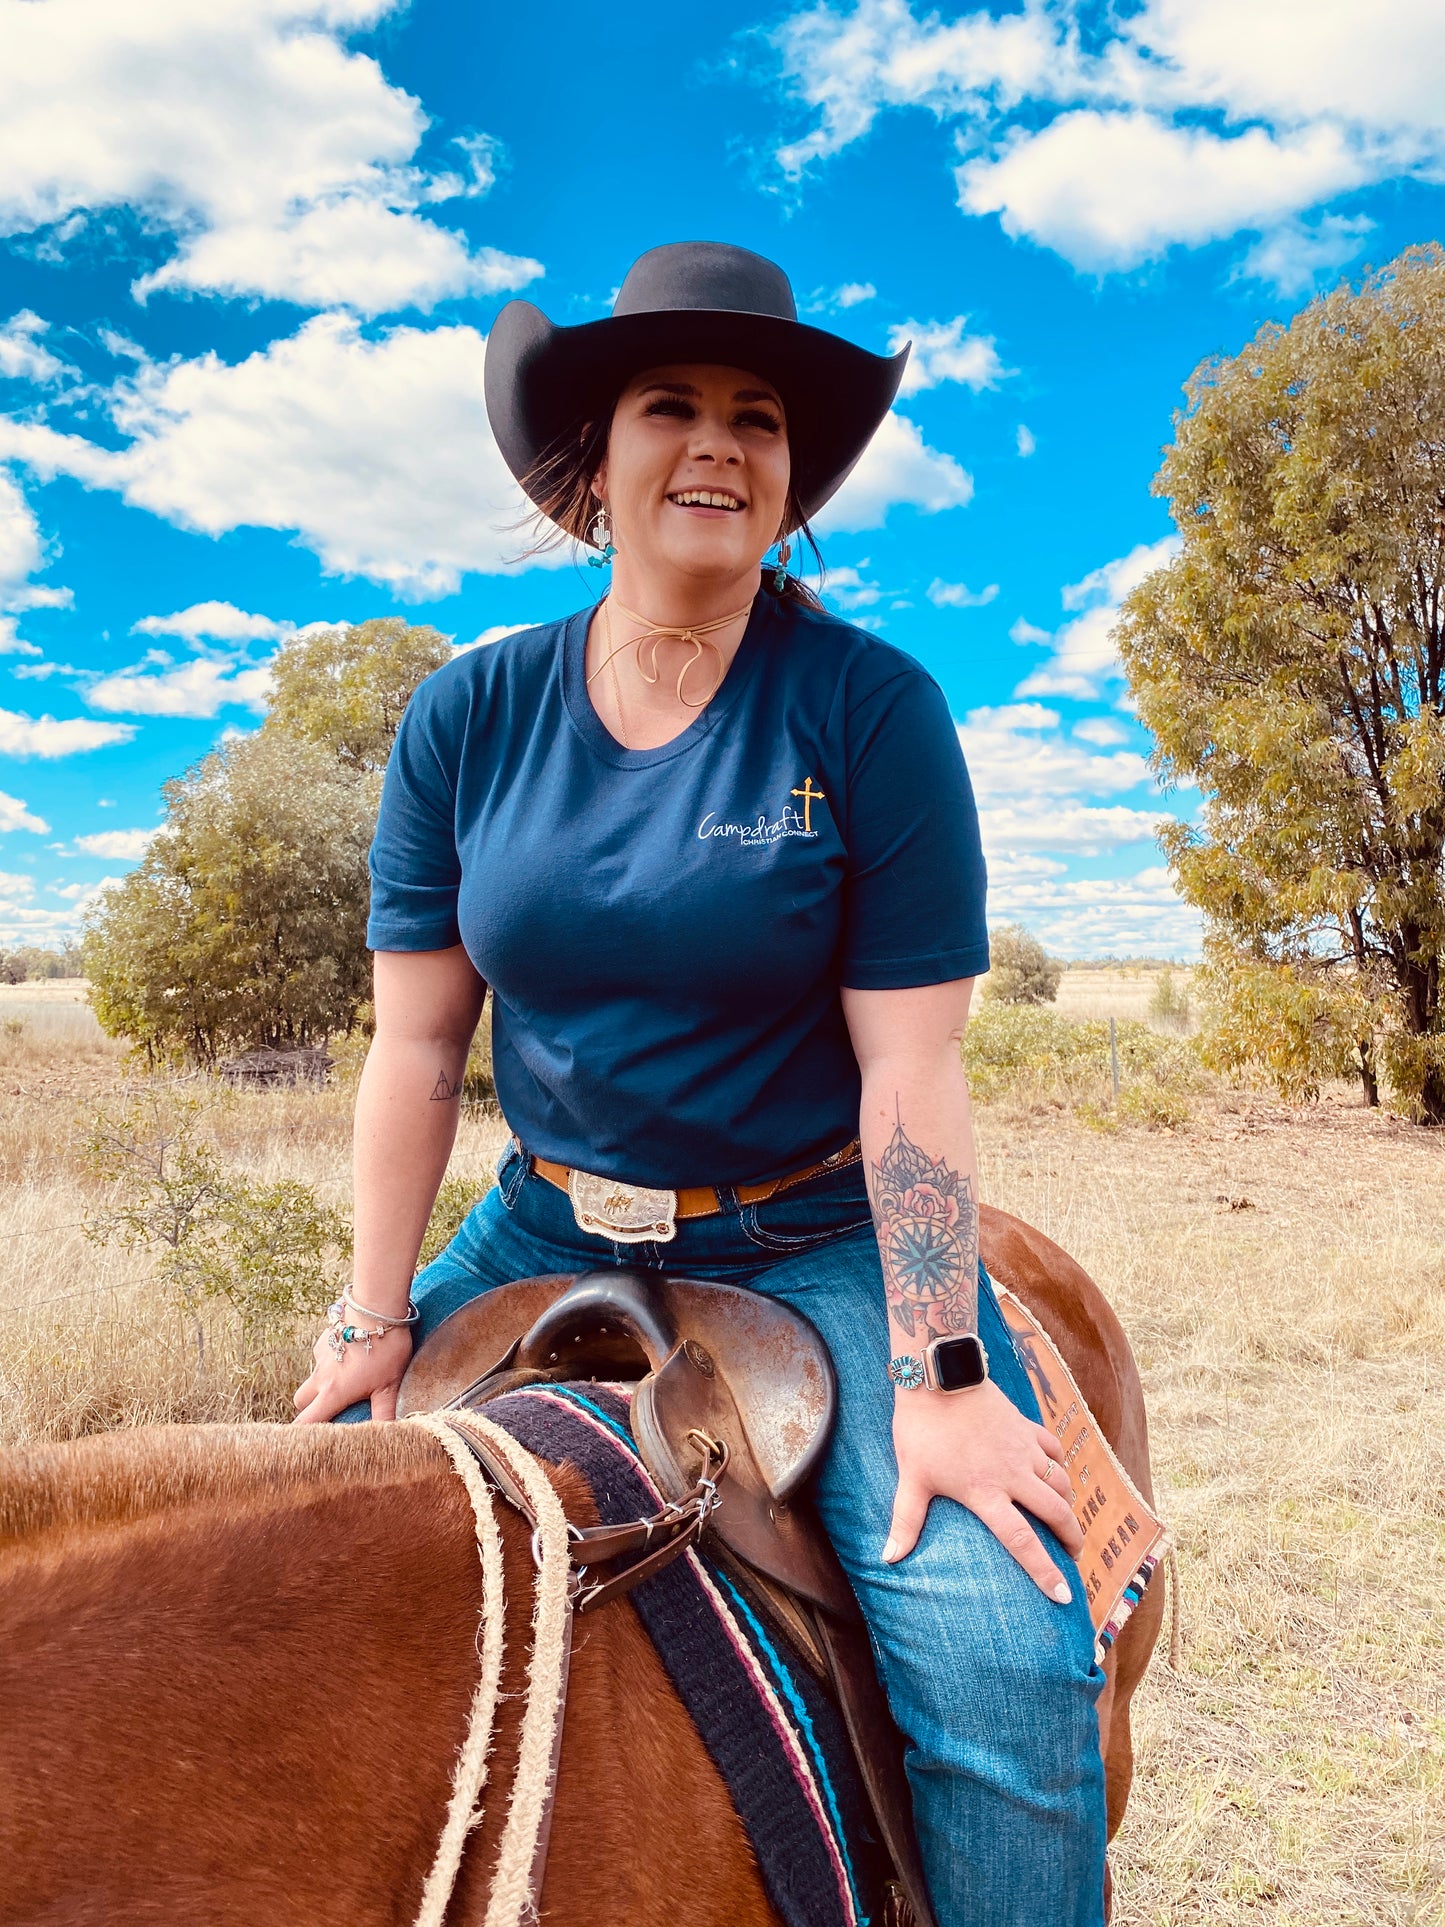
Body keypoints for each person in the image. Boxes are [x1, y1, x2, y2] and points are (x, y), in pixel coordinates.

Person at [293, 242, 1106, 1926]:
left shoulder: (864, 708)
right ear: (594, 459)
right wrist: (371, 1318)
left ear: (793, 479)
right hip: (533, 1229)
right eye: (673, 405)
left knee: (1003, 1648)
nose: (718, 446)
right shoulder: (468, 715)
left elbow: (912, 1066)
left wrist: (949, 1364)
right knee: (270, 1568)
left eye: (759, 418)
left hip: (807, 1234)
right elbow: (420, 1046)